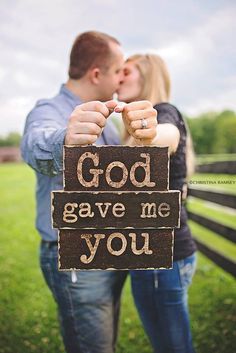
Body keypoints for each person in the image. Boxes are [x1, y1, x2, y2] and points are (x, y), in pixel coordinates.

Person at [21, 32, 158, 353]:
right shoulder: (49, 110)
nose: (120, 80)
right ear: (97, 74)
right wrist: (65, 139)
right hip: (77, 256)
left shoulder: (108, 123)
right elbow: (33, 145)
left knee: (105, 340)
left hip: (110, 249)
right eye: (117, 72)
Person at [117, 54, 197, 353]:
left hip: (165, 258)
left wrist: (147, 134)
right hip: (149, 257)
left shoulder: (164, 112)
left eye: (126, 71)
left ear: (147, 77)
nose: (119, 77)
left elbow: (166, 136)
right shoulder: (131, 127)